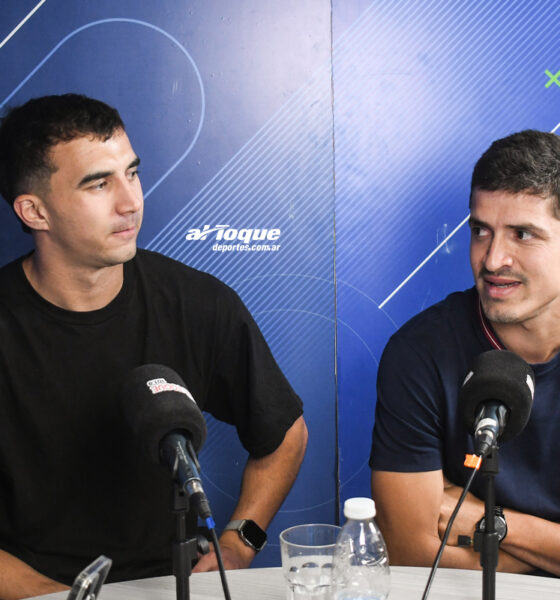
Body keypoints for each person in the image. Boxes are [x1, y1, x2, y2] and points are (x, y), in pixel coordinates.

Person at [0, 94, 308, 598]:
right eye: (99, 184)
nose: (130, 202)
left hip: (170, 586)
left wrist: (240, 541)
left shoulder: (197, 304)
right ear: (35, 211)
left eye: (132, 173)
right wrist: (56, 597)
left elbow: (285, 433)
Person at [370, 129, 560, 576]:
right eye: (480, 231)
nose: (492, 260)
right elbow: (410, 552)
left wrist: (492, 522)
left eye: (522, 234)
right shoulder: (419, 352)